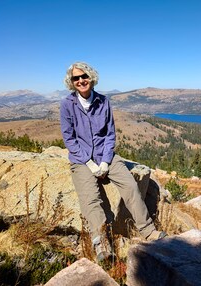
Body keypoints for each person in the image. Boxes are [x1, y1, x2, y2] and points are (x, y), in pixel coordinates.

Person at [60, 62, 166, 262]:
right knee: (91, 199)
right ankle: (101, 243)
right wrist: (89, 163)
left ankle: (148, 231)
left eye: (84, 76)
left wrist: (106, 162)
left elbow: (110, 134)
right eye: (76, 78)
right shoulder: (67, 104)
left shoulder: (103, 101)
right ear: (72, 82)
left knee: (131, 187)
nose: (81, 81)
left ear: (91, 78)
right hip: (82, 160)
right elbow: (69, 138)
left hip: (105, 155)